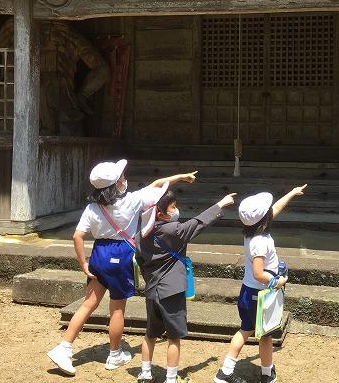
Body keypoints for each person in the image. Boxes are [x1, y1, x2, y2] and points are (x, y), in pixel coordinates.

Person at [47, 159, 197, 376]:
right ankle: (114, 354)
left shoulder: (92, 207)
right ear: (117, 184)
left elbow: (77, 235)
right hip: (121, 254)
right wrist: (181, 177)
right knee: (117, 309)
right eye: (123, 177)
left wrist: (84, 263)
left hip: (99, 254)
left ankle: (64, 347)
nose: (125, 179)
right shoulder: (132, 201)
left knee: (89, 303)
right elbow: (157, 185)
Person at [136, 189, 237, 383]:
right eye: (173, 207)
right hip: (172, 290)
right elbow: (199, 223)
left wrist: (150, 279)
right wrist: (221, 204)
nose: (176, 210)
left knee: (150, 334)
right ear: (160, 213)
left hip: (152, 290)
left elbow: (140, 260)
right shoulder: (174, 230)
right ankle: (171, 378)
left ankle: (145, 373)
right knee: (174, 337)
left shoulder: (140, 235)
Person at [214, 185, 307, 383]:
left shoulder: (251, 232)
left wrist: (292, 193)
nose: (271, 212)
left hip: (248, 292)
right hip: (260, 294)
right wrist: (277, 281)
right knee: (265, 336)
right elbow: (258, 273)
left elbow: (275, 209)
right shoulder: (260, 241)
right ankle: (266, 374)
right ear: (264, 218)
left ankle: (227, 371)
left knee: (246, 329)